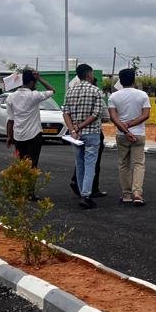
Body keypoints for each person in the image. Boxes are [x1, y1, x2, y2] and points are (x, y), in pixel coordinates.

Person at [62, 63, 104, 209]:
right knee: (90, 165)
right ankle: (86, 195)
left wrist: (73, 129)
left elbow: (65, 112)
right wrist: (80, 126)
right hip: (91, 133)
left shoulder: (70, 91)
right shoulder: (96, 91)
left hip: (75, 135)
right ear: (89, 74)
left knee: (79, 164)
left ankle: (82, 193)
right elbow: (96, 114)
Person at [107, 67, 150, 206]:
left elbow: (113, 117)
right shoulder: (143, 95)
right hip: (139, 134)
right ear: (134, 80)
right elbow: (146, 115)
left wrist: (125, 130)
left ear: (120, 81)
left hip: (121, 134)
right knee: (138, 164)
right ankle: (137, 193)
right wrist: (131, 125)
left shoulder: (113, 97)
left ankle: (126, 194)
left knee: (123, 164)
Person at [4, 68, 54, 169]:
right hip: (34, 135)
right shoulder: (35, 95)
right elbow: (52, 90)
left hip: (18, 136)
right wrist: (39, 78)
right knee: (32, 166)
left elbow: (10, 120)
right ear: (31, 82)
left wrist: (9, 136)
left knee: (21, 165)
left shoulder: (10, 97)